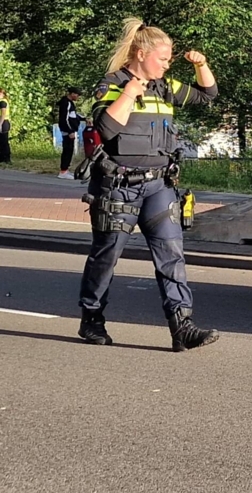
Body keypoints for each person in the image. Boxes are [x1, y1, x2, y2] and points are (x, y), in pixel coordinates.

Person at [78, 17, 220, 351]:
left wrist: (201, 65)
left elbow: (207, 95)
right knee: (106, 255)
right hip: (118, 187)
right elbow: (107, 129)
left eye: (169, 59)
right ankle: (92, 319)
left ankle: (182, 326)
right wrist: (130, 92)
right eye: (163, 58)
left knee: (172, 255)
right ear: (141, 54)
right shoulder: (111, 84)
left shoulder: (165, 86)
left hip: (159, 186)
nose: (167, 64)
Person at [57, 86, 83, 178]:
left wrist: (84, 119)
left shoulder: (70, 103)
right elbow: (64, 118)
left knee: (69, 150)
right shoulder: (66, 103)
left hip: (69, 130)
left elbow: (73, 115)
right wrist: (70, 131)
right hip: (67, 131)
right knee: (67, 150)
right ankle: (63, 171)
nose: (78, 97)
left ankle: (65, 170)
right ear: (72, 94)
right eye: (77, 95)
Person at [0, 88, 10, 164]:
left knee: (4, 141)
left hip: (3, 122)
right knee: (2, 141)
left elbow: (3, 114)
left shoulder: (3, 102)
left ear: (3, 94)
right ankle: (3, 157)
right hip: (5, 122)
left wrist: (0, 124)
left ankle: (6, 158)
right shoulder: (4, 101)